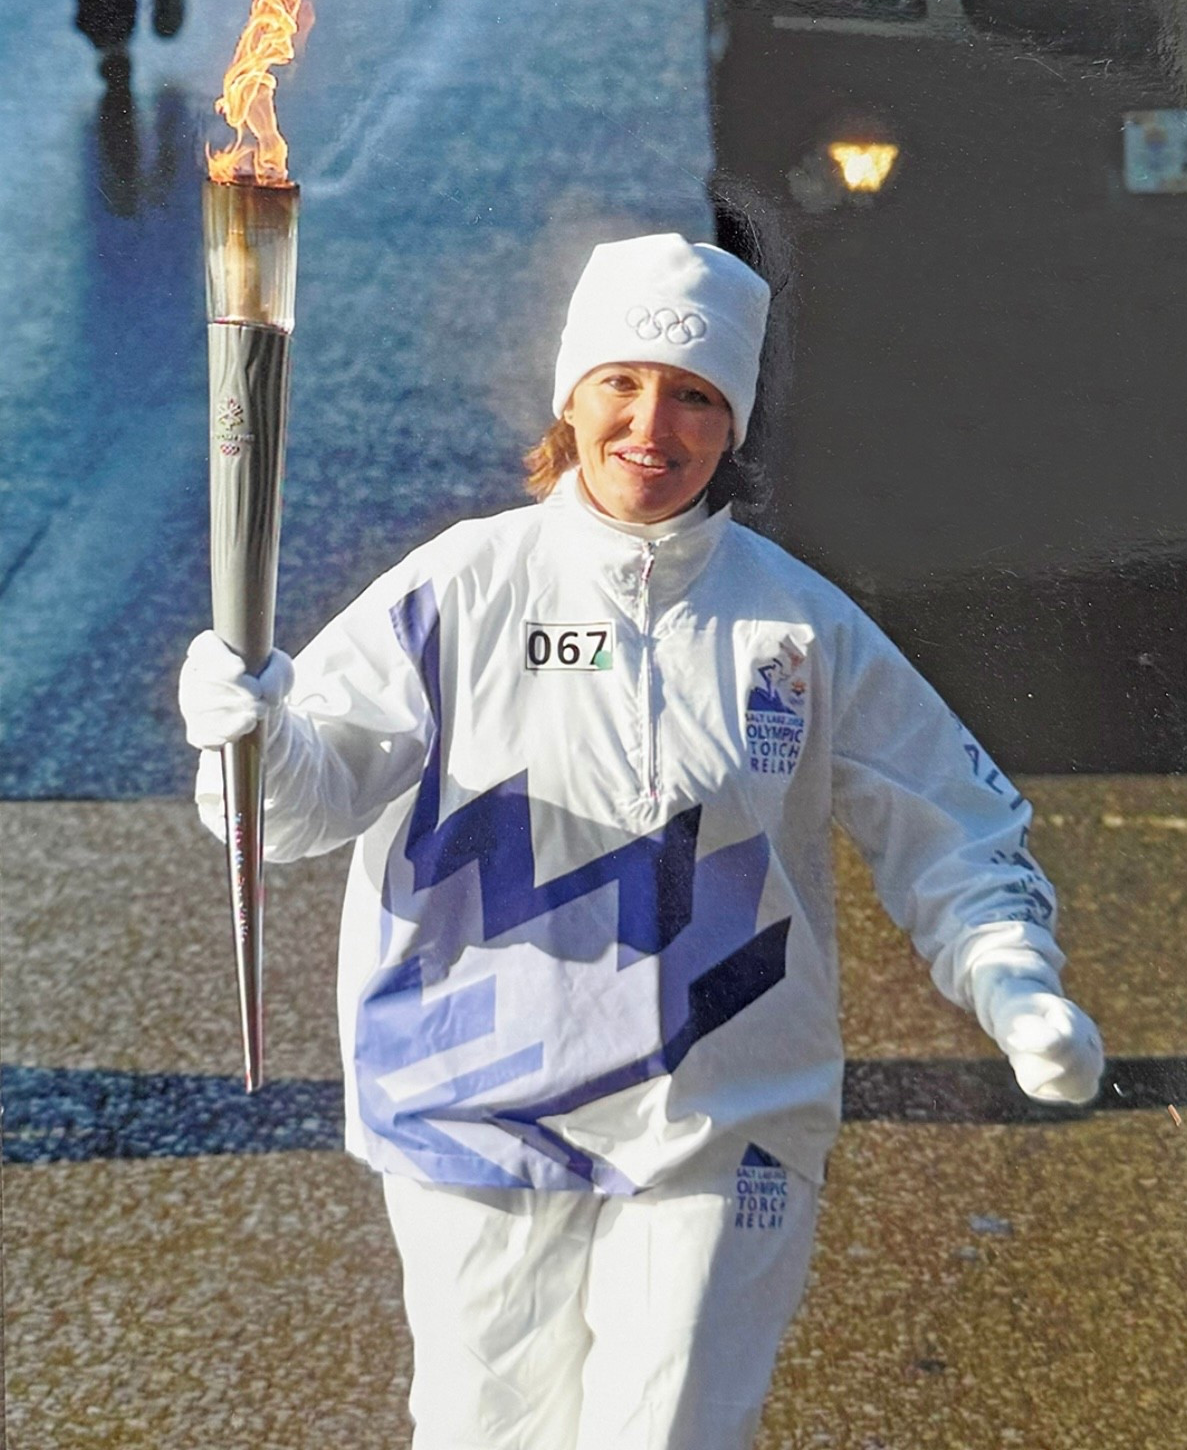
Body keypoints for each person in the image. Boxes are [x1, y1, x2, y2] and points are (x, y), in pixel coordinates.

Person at [178, 231, 1104, 1450]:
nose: (651, 428)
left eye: (696, 398)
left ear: (734, 427)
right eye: (623, 383)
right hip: (472, 1103)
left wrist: (1011, 975)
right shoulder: (463, 587)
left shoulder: (794, 624)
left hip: (725, 1113)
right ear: (572, 397)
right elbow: (302, 804)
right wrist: (248, 737)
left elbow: (954, 825)